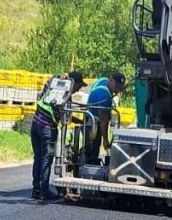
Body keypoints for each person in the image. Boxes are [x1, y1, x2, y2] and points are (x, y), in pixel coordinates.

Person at [31, 71, 87, 200]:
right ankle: (44, 190)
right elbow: (65, 119)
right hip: (48, 131)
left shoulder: (52, 84)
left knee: (38, 157)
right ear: (74, 83)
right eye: (78, 87)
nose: (78, 90)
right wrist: (81, 121)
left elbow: (50, 84)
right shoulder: (66, 97)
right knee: (47, 158)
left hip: (35, 126)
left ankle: (36, 189)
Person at [84, 72, 127, 164]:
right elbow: (104, 120)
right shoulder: (105, 96)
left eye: (120, 87)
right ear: (111, 80)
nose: (118, 90)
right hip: (94, 123)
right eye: (116, 86)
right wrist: (106, 140)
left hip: (87, 117)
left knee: (87, 144)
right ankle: (91, 165)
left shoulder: (102, 80)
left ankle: (86, 157)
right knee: (94, 147)